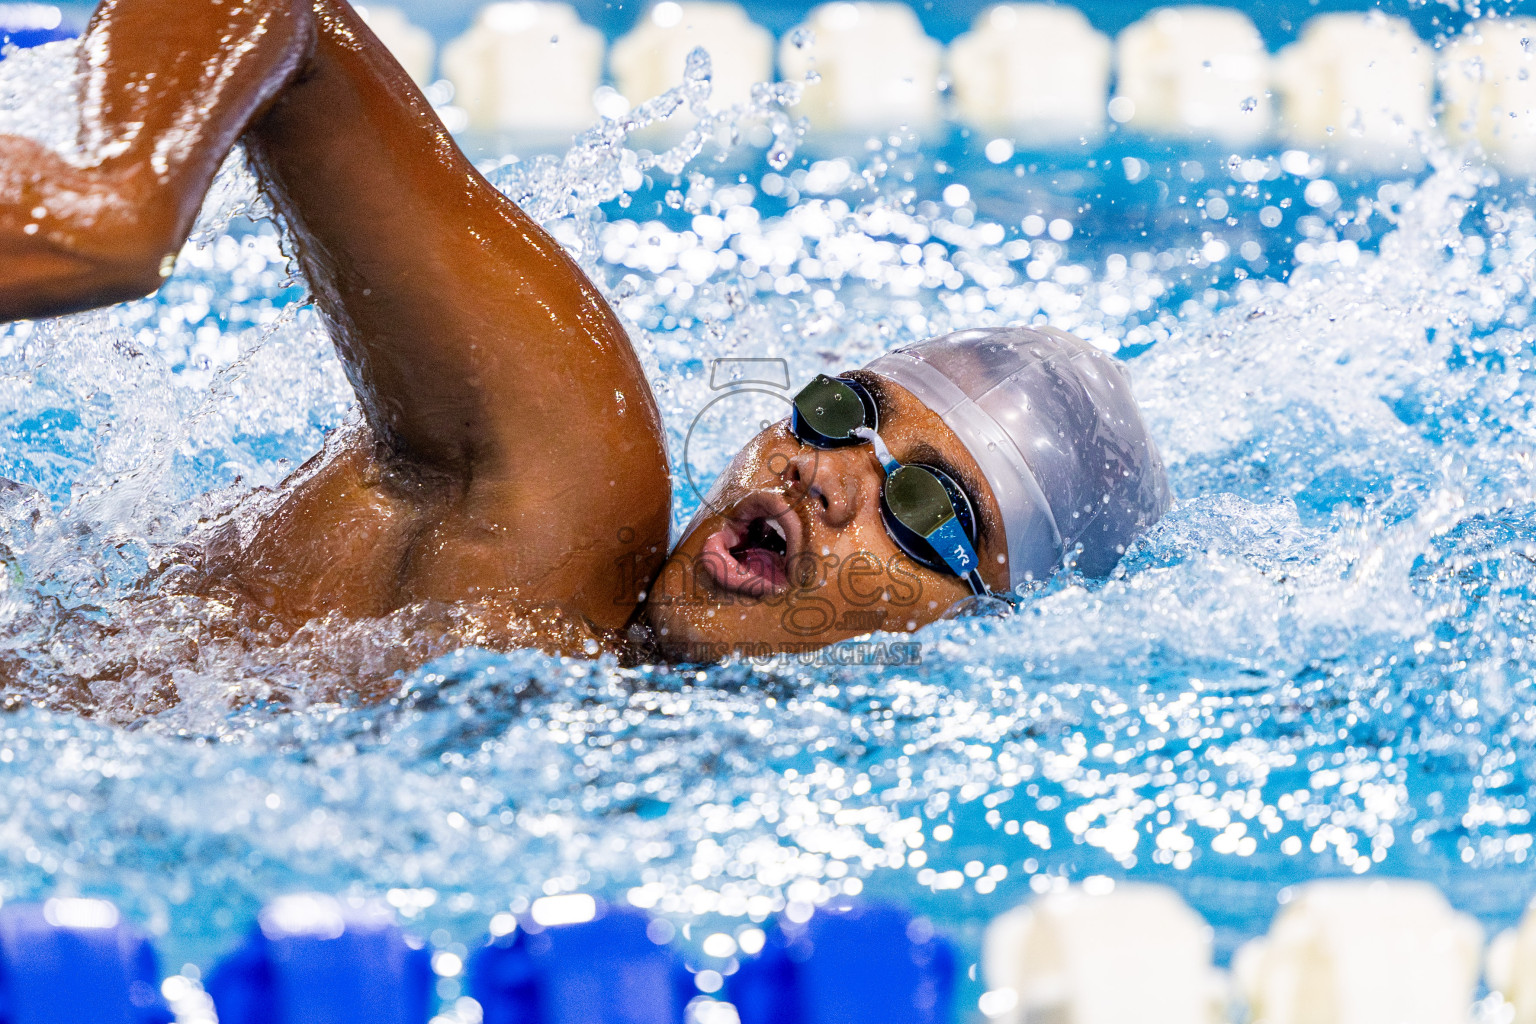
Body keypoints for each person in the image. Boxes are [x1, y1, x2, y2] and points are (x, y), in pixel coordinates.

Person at [0, 0, 1169, 669]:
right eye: (842, 411)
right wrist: (107, 202)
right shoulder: (565, 495)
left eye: (927, 506)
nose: (829, 476)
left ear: (983, 631)